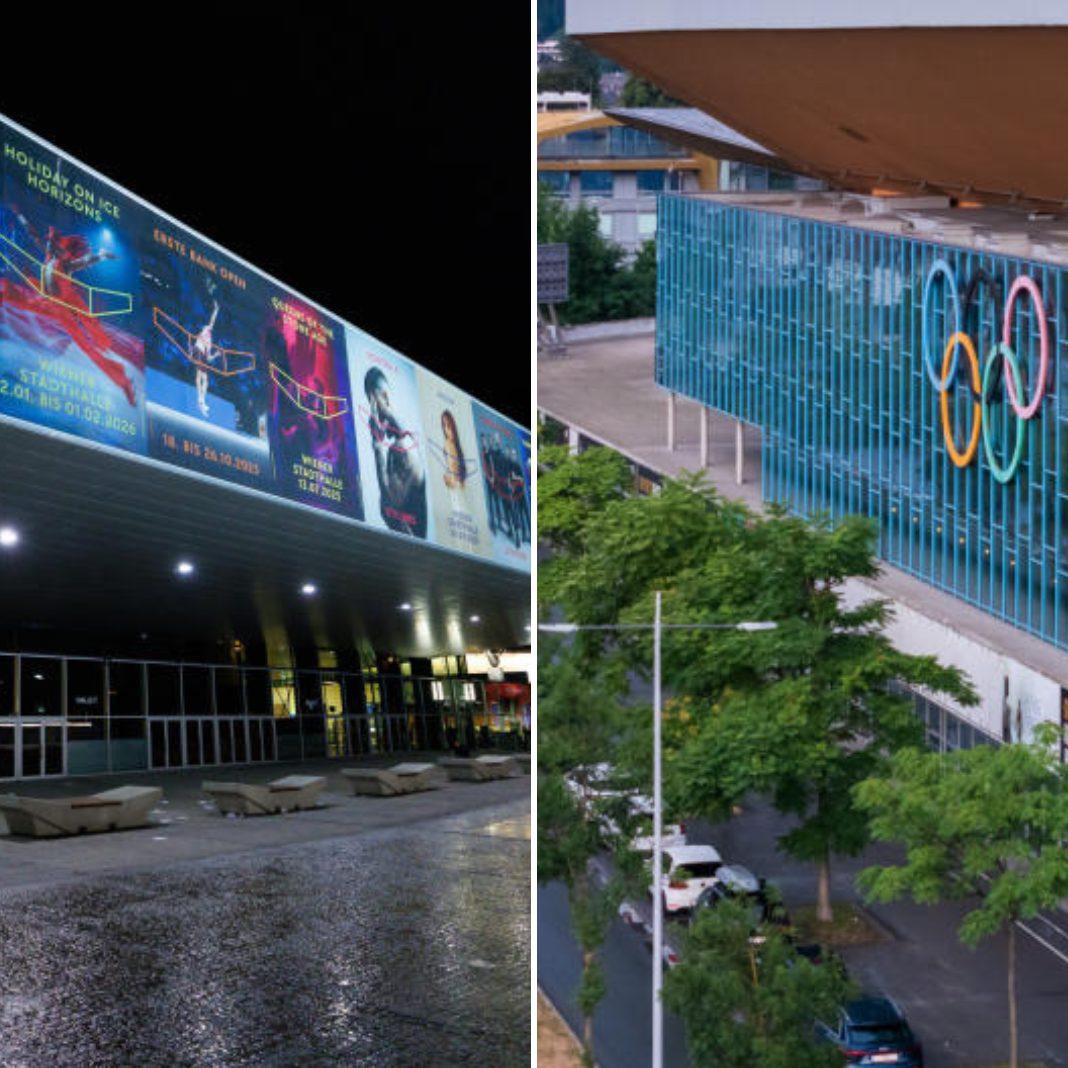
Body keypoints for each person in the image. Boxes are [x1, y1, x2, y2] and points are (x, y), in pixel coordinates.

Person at [7, 209, 136, 406]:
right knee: (17, 298)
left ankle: (122, 379)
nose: (49, 244)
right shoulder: (48, 256)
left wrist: (100, 256)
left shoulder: (65, 264)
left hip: (64, 305)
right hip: (49, 302)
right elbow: (33, 235)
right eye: (49, 243)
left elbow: (83, 261)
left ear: (60, 248)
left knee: (86, 345)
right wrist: (20, 216)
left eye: (52, 243)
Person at [364, 367, 427, 537]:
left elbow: (391, 499)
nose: (373, 413)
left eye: (373, 403)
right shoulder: (399, 449)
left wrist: (377, 445)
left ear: (384, 397)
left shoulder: (404, 447)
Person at [192, 300, 221, 417]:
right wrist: (216, 310)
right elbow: (212, 320)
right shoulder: (206, 330)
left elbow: (208, 358)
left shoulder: (210, 343)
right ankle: (200, 400)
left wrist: (216, 355)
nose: (208, 327)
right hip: (198, 349)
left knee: (205, 380)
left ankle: (202, 401)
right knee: (200, 376)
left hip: (203, 354)